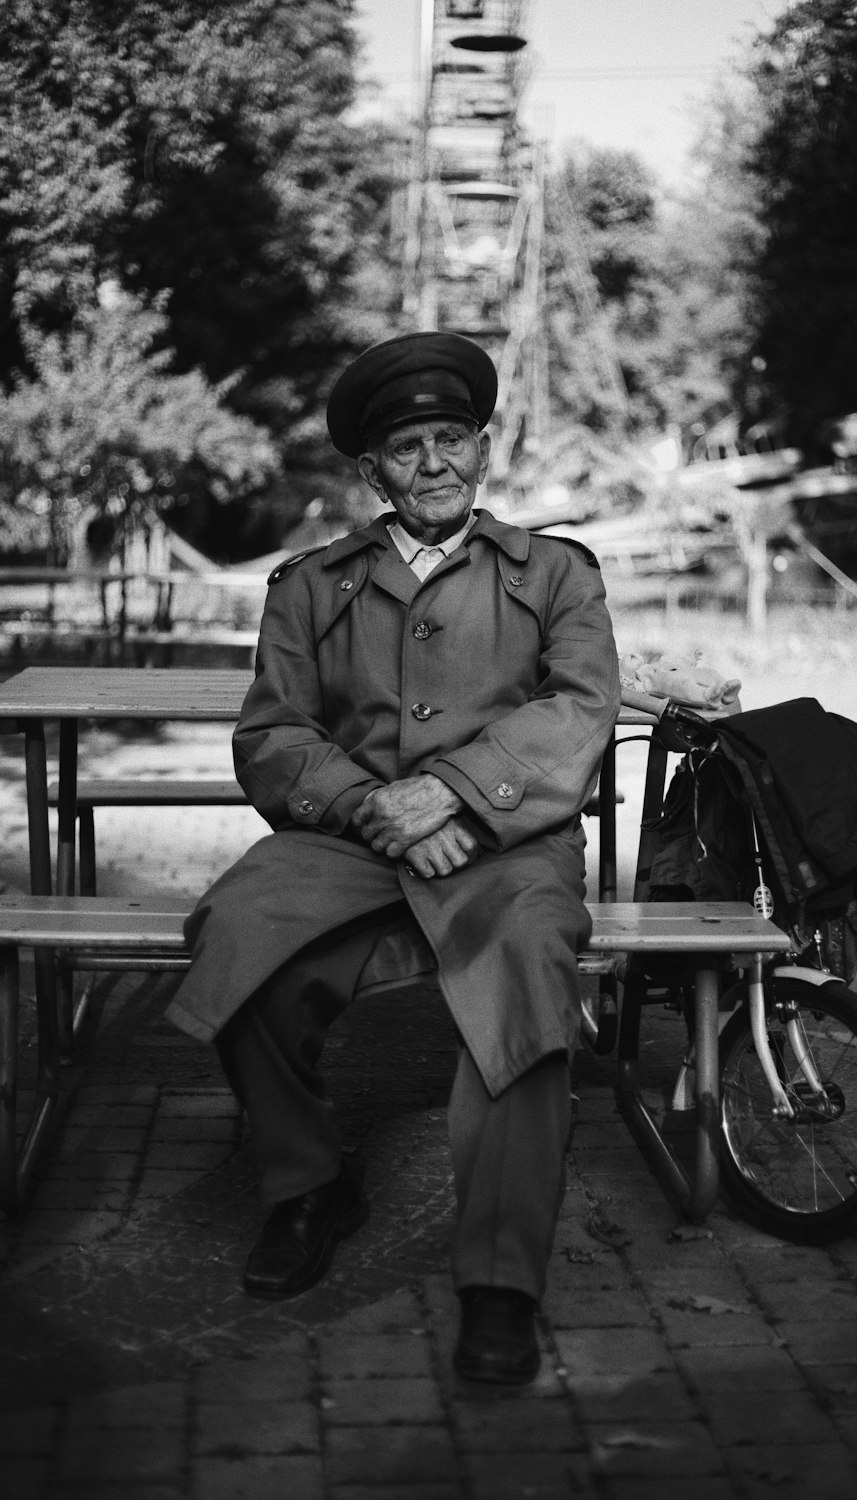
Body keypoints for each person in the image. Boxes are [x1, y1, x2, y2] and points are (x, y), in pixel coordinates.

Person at [166, 331, 621, 1385]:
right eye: (407, 448)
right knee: (236, 942)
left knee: (523, 983)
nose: (434, 465)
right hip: (352, 841)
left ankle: (501, 1279)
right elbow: (271, 736)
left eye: (451, 439)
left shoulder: (554, 573)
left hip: (503, 844)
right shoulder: (311, 586)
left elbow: (580, 707)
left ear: (482, 447)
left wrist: (456, 789)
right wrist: (378, 806)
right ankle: (308, 1185)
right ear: (372, 470)